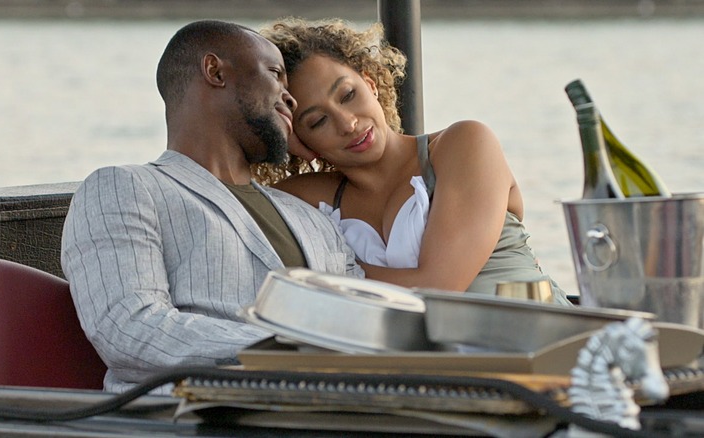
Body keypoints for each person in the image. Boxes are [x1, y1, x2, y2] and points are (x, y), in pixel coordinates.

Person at [61, 20, 364, 394]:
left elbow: (362, 326)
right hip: (194, 418)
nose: (291, 99)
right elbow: (129, 327)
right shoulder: (124, 187)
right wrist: (293, 355)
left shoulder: (312, 219)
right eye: (275, 74)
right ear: (215, 71)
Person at [254, 18, 571, 305]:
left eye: (348, 95)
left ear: (371, 84)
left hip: (544, 350)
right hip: (427, 364)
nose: (348, 123)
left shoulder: (463, 145)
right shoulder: (306, 197)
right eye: (318, 121)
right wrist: (283, 142)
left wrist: (324, 272)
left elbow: (438, 287)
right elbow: (229, 206)